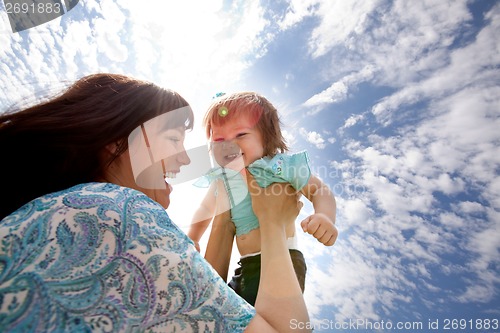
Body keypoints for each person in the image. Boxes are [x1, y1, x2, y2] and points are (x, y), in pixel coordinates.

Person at [0, 73, 311, 332]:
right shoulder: (121, 211)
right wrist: (271, 220)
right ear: (116, 141)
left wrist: (223, 219)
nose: (186, 157)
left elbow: (208, 308)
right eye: (175, 139)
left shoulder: (58, 208)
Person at [188, 92, 338, 306]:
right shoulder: (223, 179)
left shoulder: (277, 165)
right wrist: (192, 237)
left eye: (240, 135)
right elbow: (205, 209)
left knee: (269, 316)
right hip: (245, 265)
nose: (228, 145)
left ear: (266, 139)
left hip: (283, 258)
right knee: (231, 312)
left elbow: (319, 190)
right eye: (219, 140)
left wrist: (324, 215)